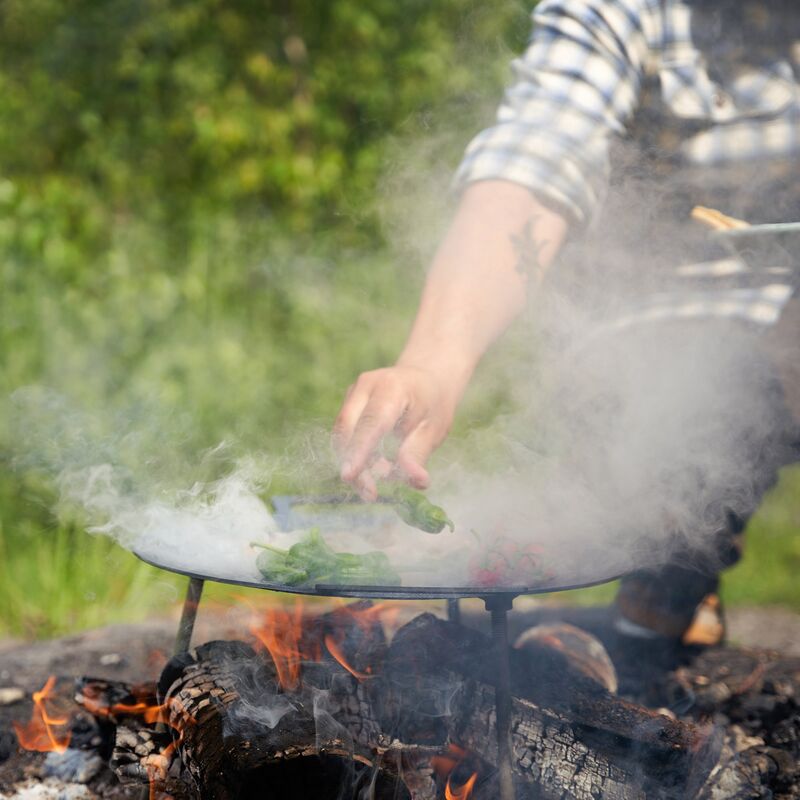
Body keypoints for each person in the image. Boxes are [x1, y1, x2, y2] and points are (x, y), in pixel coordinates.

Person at [334, 0, 800, 657]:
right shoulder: (624, 9)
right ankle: (672, 567)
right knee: (696, 403)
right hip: (652, 325)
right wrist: (435, 360)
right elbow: (538, 157)